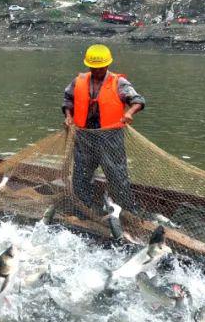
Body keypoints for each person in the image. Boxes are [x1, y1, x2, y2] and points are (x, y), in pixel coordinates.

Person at [62, 44, 145, 212]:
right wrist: (68, 117)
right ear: (88, 65)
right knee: (81, 175)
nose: (96, 71)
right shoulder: (79, 81)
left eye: (100, 68)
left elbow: (138, 100)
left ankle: (126, 211)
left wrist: (130, 113)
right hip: (85, 135)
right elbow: (67, 101)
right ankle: (83, 209)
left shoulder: (119, 82)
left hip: (110, 136)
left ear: (107, 65)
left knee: (116, 175)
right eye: (93, 67)